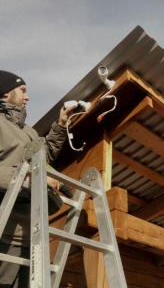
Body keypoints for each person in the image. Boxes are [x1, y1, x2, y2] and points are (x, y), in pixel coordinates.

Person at [0, 70, 74, 287]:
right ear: (5, 93)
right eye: (22, 90)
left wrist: (61, 124)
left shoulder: (29, 132)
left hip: (32, 235)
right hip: (4, 232)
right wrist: (30, 180)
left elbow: (45, 155)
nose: (28, 97)